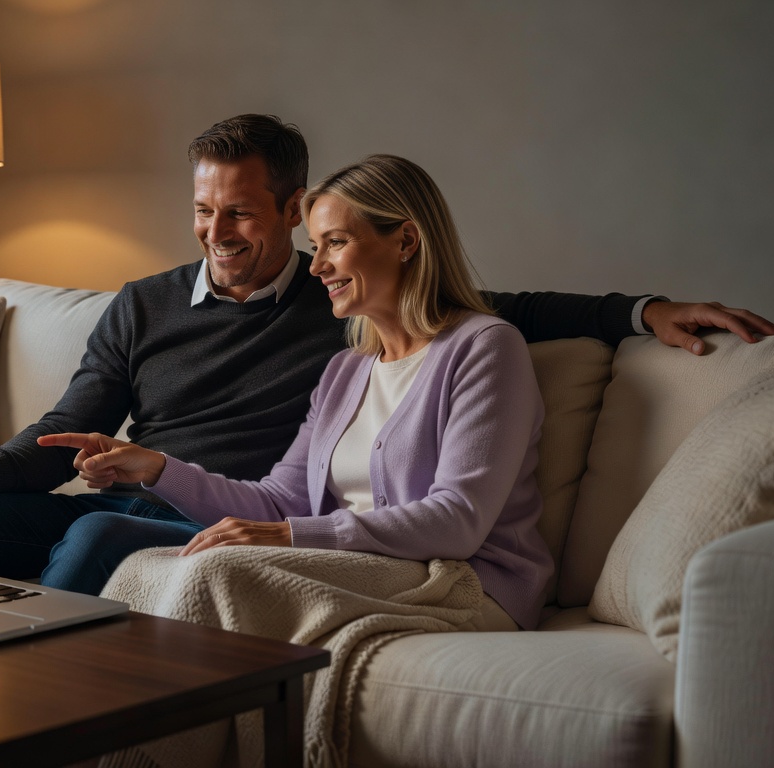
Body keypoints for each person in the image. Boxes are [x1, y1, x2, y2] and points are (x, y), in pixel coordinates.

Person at [0, 115, 774, 768]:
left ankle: (36, 739)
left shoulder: (397, 326)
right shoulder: (257, 335)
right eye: (202, 211)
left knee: (109, 558)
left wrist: (643, 308)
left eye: (242, 214)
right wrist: (0, 467)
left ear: (294, 214)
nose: (217, 231)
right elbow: (87, 422)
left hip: (300, 534)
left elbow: (495, 322)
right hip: (174, 497)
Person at [39, 153, 550, 631]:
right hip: (358, 561)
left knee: (215, 572)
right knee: (103, 534)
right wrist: (157, 468)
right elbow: (280, 501)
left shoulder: (484, 347)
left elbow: (457, 522)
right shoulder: (347, 370)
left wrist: (289, 536)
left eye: (336, 242)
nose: (317, 266)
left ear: (406, 241)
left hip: (459, 577)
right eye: (316, 245)